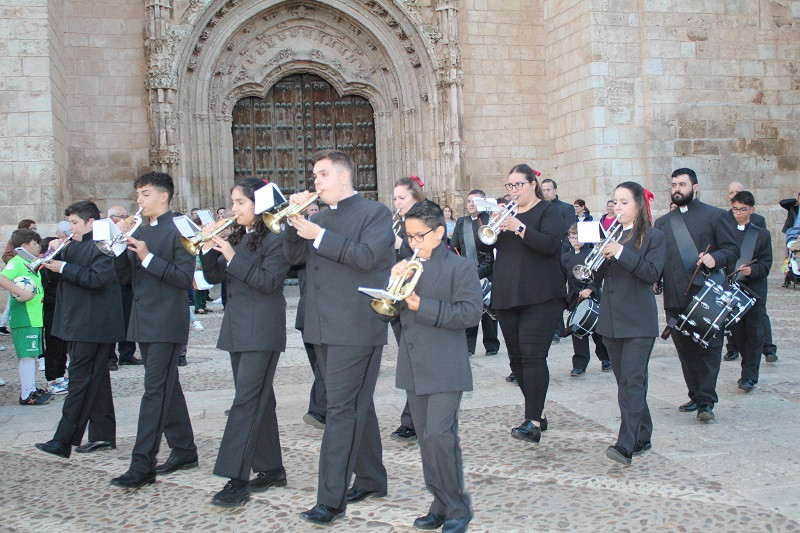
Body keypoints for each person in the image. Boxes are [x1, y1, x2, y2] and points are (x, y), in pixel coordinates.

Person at [283, 150, 394, 525]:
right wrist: (292, 221)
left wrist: (320, 233)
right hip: (322, 327)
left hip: (355, 328)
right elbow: (294, 258)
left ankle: (330, 500)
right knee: (355, 403)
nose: (316, 181)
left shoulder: (374, 212)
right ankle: (372, 478)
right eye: (314, 174)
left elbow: (367, 258)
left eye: (323, 174)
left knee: (340, 411)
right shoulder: (321, 216)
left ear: (344, 177)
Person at [391, 200, 482, 533]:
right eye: (409, 237)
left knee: (440, 436)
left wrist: (421, 305)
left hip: (445, 365)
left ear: (439, 233)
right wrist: (392, 288)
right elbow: (390, 314)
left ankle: (457, 506)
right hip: (413, 365)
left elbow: (470, 315)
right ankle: (439, 501)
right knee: (426, 440)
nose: (412, 243)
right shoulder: (406, 264)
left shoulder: (461, 268)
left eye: (419, 236)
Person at [199, 178, 290, 507]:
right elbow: (213, 277)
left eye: (240, 203)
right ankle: (272, 469)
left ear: (259, 206)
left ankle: (235, 478)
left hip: (262, 330)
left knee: (246, 402)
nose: (233, 209)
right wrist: (211, 245)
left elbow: (269, 282)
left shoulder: (277, 240)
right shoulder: (238, 236)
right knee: (259, 401)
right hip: (238, 329)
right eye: (233, 202)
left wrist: (231, 255)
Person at [110, 172, 198, 489]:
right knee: (167, 386)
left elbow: (182, 277)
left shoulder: (182, 228)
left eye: (145, 194)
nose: (139, 201)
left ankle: (142, 464)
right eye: (137, 195)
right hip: (143, 319)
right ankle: (185, 450)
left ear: (163, 196)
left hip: (166, 320)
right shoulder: (140, 228)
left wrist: (147, 257)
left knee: (155, 392)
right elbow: (124, 278)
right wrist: (120, 247)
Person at [480, 164, 565, 444]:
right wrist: (490, 223)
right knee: (517, 362)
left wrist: (519, 227)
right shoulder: (506, 214)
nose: (513, 191)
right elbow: (485, 246)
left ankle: (532, 422)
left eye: (518, 185)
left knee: (532, 357)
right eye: (509, 186)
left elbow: (551, 245)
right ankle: (537, 412)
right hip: (508, 295)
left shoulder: (549, 211)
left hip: (541, 295)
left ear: (532, 185)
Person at [34, 200, 124, 458]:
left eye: (74, 223)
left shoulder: (103, 246)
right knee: (97, 380)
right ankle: (103, 436)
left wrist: (64, 266)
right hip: (76, 323)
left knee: (81, 381)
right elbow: (61, 275)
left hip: (93, 325)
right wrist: (52, 255)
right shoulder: (72, 245)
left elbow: (98, 279)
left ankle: (63, 440)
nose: (69, 228)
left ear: (90, 222)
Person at [653, 168, 739, 422]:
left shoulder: (717, 216)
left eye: (682, 184)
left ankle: (706, 402)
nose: (677, 189)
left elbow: (732, 250)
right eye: (673, 185)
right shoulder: (663, 223)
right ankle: (695, 394)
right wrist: (656, 280)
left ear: (695, 187)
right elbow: (659, 259)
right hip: (676, 297)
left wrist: (716, 258)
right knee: (685, 350)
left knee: (710, 350)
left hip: (708, 296)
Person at [593, 182, 666, 466]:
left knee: (631, 382)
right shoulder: (611, 235)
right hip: (611, 322)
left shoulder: (654, 237)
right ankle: (644, 434)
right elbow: (597, 278)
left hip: (638, 322)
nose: (618, 207)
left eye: (624, 202)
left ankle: (626, 445)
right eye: (615, 202)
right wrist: (593, 258)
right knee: (627, 383)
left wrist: (620, 253)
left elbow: (650, 274)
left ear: (638, 205)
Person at [722, 183, 776, 363]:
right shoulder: (725, 229)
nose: (738, 213)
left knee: (754, 329)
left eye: (742, 209)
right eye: (735, 209)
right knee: (736, 330)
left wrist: (752, 270)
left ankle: (750, 373)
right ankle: (740, 355)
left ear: (751, 210)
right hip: (733, 286)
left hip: (754, 287)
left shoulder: (761, 233)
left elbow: (766, 263)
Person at [0, 228, 50, 405]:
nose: (38, 246)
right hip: (24, 316)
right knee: (27, 356)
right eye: (35, 243)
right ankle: (26, 394)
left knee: (32, 355)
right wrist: (21, 292)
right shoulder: (17, 262)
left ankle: (31, 388)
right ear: (23, 246)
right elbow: (2, 278)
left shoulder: (29, 262)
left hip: (34, 316)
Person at [451, 190, 500, 358]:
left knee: (488, 310)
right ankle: (468, 346)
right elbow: (455, 248)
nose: (470, 204)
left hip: (487, 272)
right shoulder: (461, 221)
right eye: (469, 201)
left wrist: (481, 271)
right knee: (469, 309)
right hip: (467, 274)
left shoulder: (491, 221)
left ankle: (491, 344)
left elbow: (491, 253)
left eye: (474, 201)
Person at [560, 224, 611, 376]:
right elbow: (562, 279)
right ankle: (579, 364)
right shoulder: (565, 258)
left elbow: (600, 274)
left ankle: (605, 358)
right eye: (572, 237)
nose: (575, 240)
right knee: (577, 332)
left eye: (578, 237)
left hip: (593, 296)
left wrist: (591, 288)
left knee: (598, 331)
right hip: (575, 298)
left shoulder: (593, 253)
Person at [106, 205, 141, 369]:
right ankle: (110, 357)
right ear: (113, 218)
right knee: (112, 321)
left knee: (128, 318)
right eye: (123, 216)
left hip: (127, 281)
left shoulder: (130, 231)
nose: (126, 218)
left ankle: (127, 354)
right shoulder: (104, 232)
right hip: (111, 283)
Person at [39, 237, 69, 394]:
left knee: (63, 346)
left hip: (61, 308)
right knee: (53, 347)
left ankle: (60, 376)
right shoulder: (45, 268)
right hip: (51, 309)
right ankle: (51, 380)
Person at [1, 219, 38, 337]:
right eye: (32, 228)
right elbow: (6, 256)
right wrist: (16, 264)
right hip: (18, 277)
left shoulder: (33, 242)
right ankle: (2, 325)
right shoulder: (15, 242)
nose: (35, 230)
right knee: (12, 301)